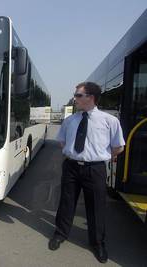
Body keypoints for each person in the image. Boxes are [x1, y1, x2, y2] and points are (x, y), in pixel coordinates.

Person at [48, 82, 125, 263]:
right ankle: (60, 234)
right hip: (71, 167)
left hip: (95, 169)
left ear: (90, 97)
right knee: (66, 202)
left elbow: (118, 147)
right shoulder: (70, 120)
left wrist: (99, 157)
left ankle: (97, 243)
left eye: (78, 95)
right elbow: (62, 142)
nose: (75, 98)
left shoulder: (109, 121)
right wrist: (74, 155)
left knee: (96, 207)